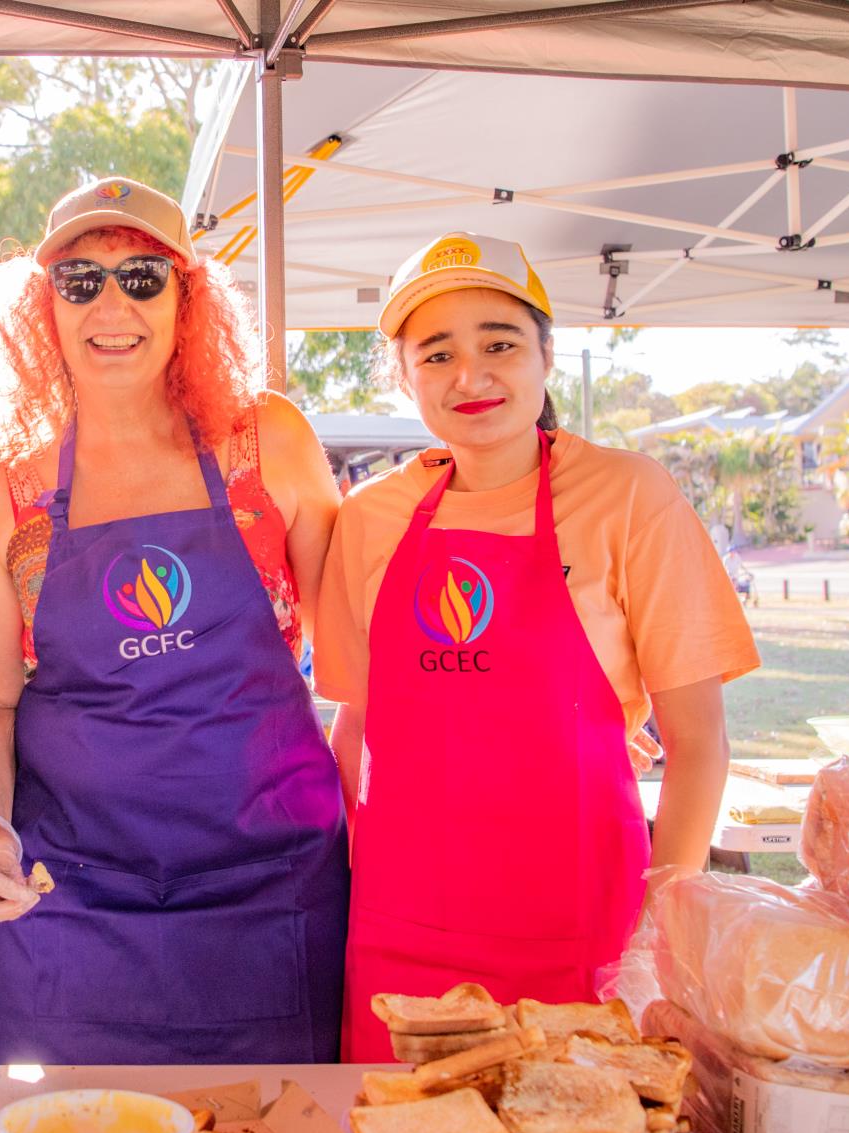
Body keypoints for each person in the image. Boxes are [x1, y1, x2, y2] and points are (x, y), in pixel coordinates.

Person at [315, 233, 759, 1062]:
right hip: (400, 935)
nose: (470, 376)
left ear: (547, 354)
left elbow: (698, 744)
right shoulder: (372, 517)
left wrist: (657, 926)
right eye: (436, 353)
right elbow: (355, 726)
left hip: (580, 933)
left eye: (499, 344)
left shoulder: (630, 496)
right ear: (405, 377)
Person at [0, 176, 349, 1065]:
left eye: (142, 276)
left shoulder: (268, 444)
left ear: (188, 299)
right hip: (75, 905)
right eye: (80, 282)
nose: (111, 305)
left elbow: (358, 656)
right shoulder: (1, 498)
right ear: (42, 310)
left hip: (272, 892)